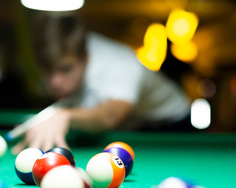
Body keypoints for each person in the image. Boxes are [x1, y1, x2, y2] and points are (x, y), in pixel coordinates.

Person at [12, 14, 191, 154]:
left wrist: (64, 116)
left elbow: (111, 115)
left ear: (86, 59)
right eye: (47, 70)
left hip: (172, 124)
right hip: (136, 122)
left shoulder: (119, 64)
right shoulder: (67, 59)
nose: (54, 81)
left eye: (65, 69)